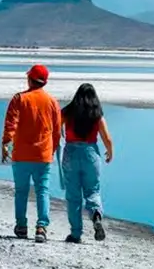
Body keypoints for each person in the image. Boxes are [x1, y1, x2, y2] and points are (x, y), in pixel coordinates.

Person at [1, 64, 62, 243]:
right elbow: (57, 131)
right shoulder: (52, 102)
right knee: (42, 191)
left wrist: (6, 143)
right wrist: (53, 149)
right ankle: (41, 227)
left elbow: (10, 123)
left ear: (30, 79)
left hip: (21, 155)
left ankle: (21, 226)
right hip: (43, 155)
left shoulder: (19, 99)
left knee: (21, 191)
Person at [60, 83, 114, 244]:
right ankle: (96, 215)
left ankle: (75, 234)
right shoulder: (96, 114)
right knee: (92, 190)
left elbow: (55, 128)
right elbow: (107, 138)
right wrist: (110, 152)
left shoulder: (68, 112)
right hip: (91, 153)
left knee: (73, 195)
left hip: (71, 152)